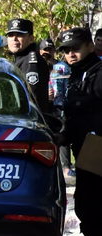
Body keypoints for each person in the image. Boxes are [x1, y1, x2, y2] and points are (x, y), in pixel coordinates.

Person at [55, 27, 102, 236]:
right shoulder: (76, 74)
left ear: (90, 46)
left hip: (97, 146)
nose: (70, 54)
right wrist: (64, 135)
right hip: (84, 146)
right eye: (67, 50)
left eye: (76, 48)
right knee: (87, 208)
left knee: (94, 208)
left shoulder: (98, 73)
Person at [41, 39, 74, 178]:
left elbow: (68, 86)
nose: (48, 52)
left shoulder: (62, 67)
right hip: (44, 108)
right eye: (45, 50)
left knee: (63, 135)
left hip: (60, 106)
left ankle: (66, 166)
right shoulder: (38, 66)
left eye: (50, 49)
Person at [5, 18, 51, 112]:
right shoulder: (20, 58)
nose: (14, 39)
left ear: (31, 39)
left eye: (19, 35)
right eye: (11, 35)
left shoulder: (31, 62)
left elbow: (32, 98)